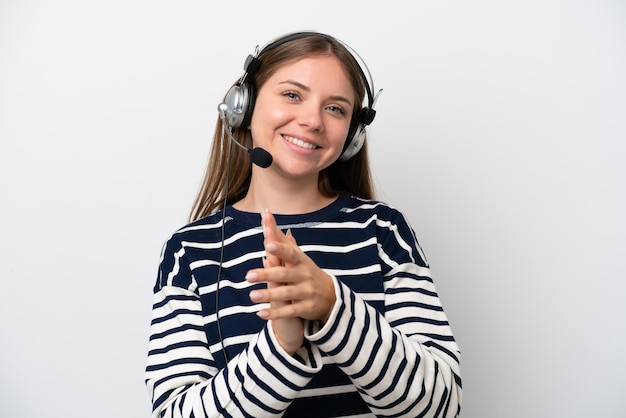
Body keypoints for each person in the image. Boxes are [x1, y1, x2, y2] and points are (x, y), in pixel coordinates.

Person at [145, 31, 462, 418]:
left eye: (336, 109)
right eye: (292, 95)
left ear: (352, 136)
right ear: (242, 106)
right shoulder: (189, 252)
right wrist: (281, 344)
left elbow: (440, 406)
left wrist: (332, 305)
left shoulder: (384, 231)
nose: (312, 120)